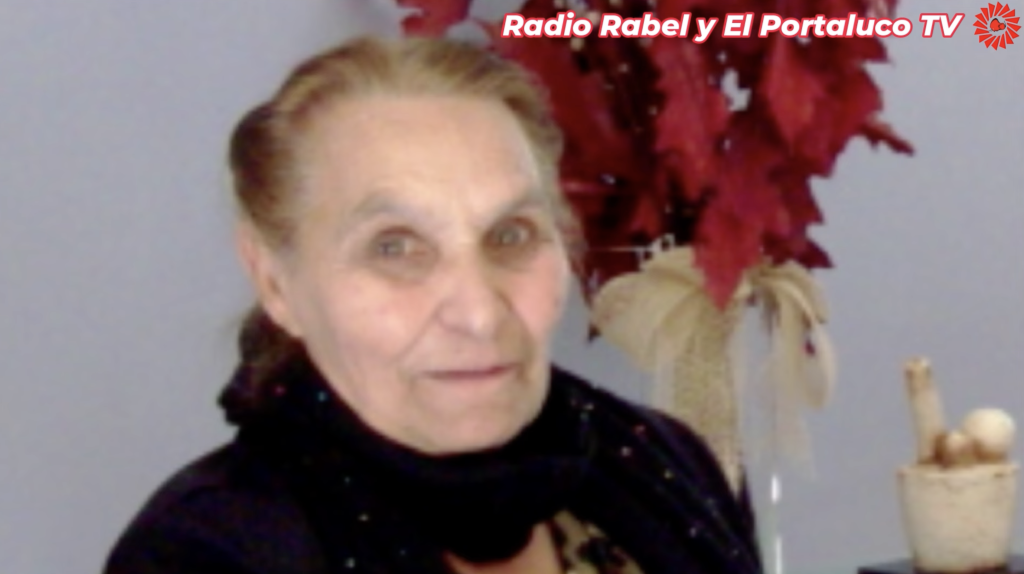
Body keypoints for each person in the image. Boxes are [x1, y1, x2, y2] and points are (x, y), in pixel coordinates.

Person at [103, 35, 763, 574]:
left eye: (511, 235)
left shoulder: (669, 466)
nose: (478, 314)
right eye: (395, 247)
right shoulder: (205, 555)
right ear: (275, 282)